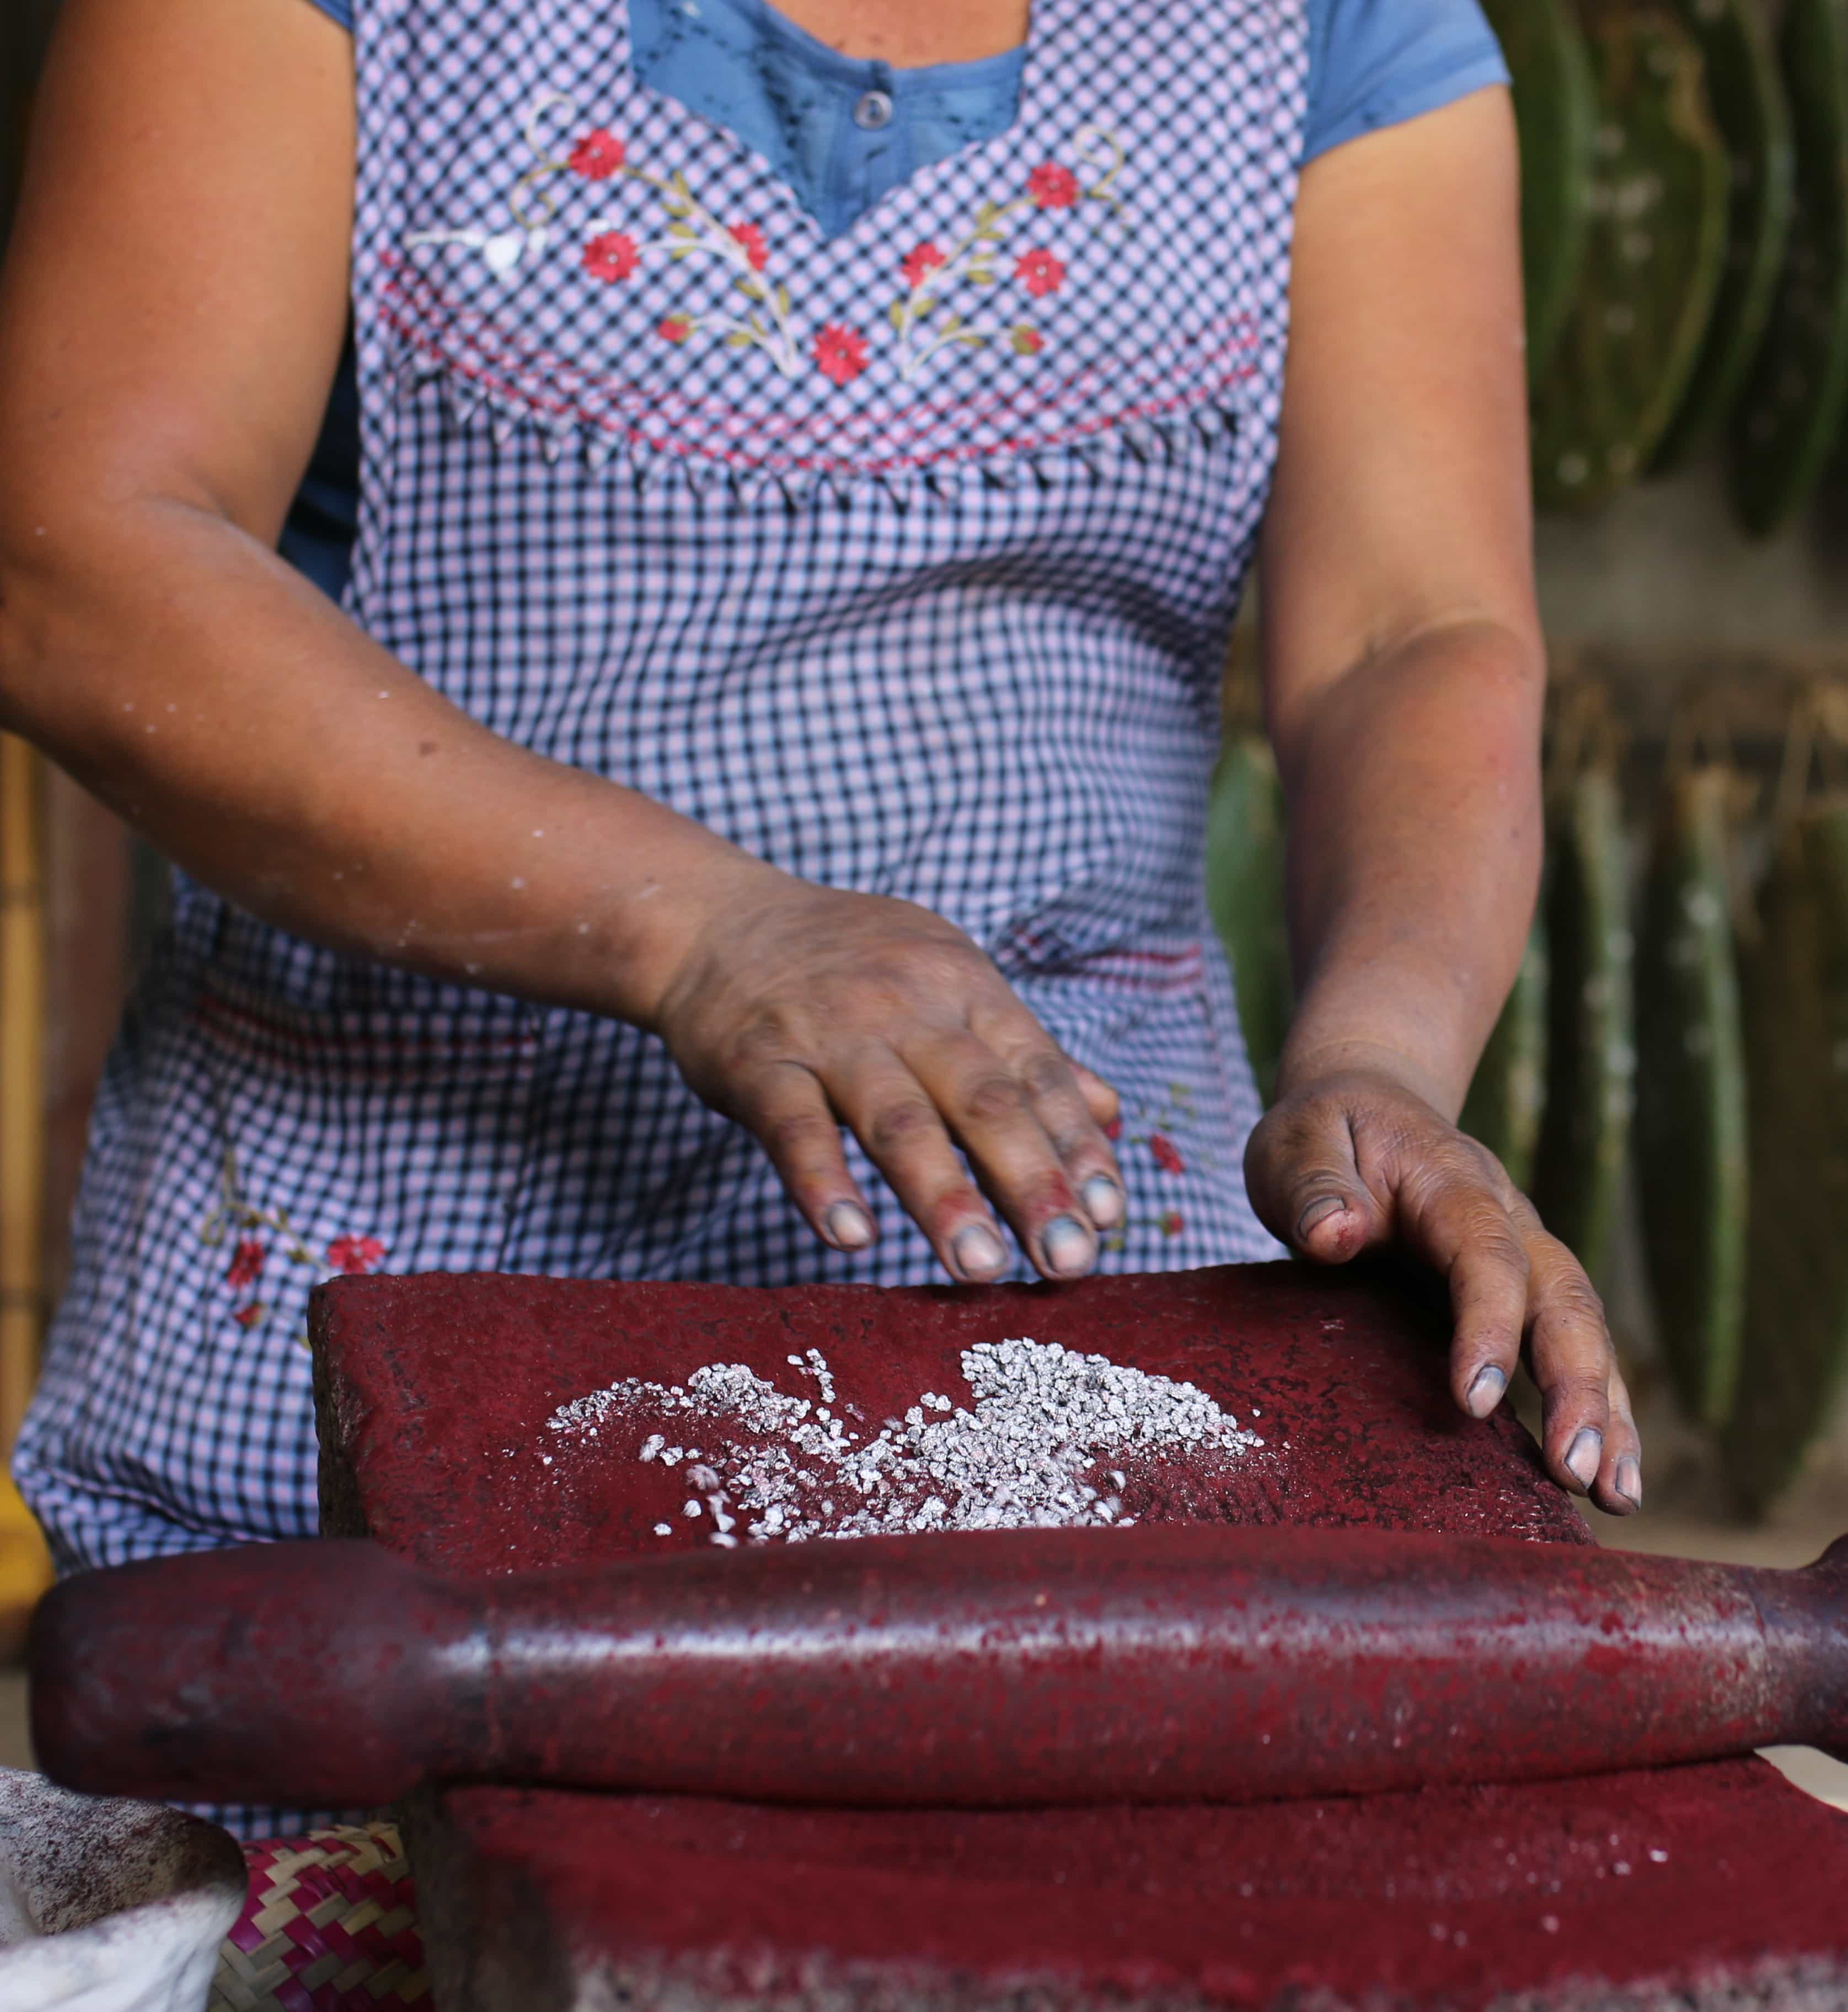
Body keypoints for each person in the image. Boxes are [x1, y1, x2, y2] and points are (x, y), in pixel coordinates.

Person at [0, 0, 1640, 1583]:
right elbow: (76, 558)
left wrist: (1381, 1062)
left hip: (1077, 1363)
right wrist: (706, 929)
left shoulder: (1336, 24)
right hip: (368, 1316)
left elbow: (1407, 634)